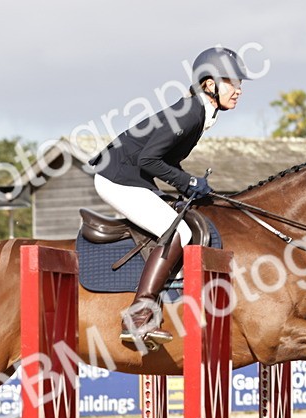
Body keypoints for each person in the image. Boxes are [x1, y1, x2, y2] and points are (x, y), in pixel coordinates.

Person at [91, 47, 251, 349]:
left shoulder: (200, 112)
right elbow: (150, 160)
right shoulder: (191, 113)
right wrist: (189, 181)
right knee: (179, 230)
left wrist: (190, 186)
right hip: (117, 178)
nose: (239, 90)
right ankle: (139, 314)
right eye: (232, 82)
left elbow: (162, 160)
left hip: (134, 176)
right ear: (209, 84)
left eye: (240, 84)